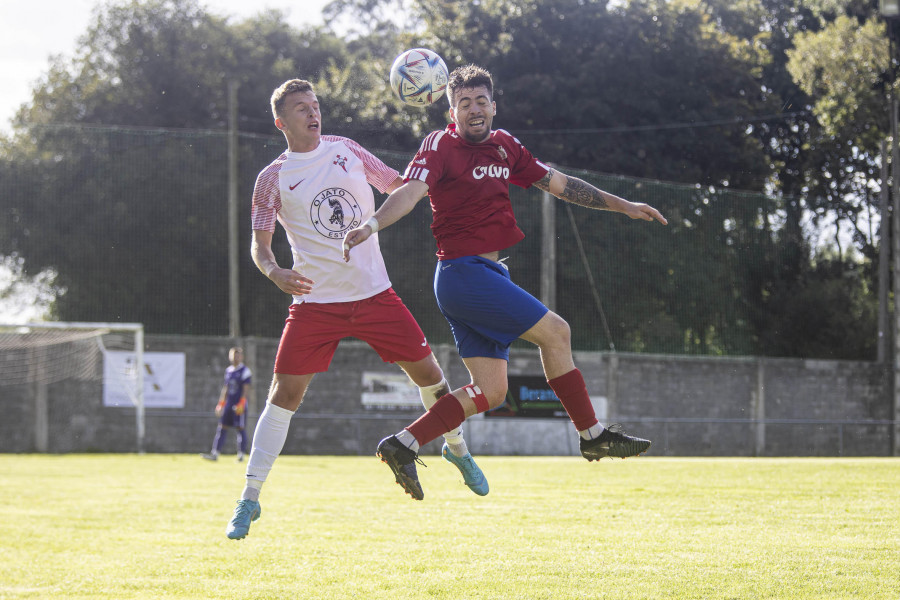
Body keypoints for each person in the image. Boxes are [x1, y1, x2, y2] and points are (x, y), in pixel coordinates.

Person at [343, 64, 668, 500]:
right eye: (464, 103)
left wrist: (623, 205)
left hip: (484, 275)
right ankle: (592, 434)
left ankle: (402, 444)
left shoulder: (505, 146)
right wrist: (371, 225)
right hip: (462, 274)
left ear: (493, 106)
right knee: (557, 332)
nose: (473, 110)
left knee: (492, 392)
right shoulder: (440, 145)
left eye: (481, 101)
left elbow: (562, 185)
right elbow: (409, 192)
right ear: (451, 112)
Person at [224, 78, 488, 540]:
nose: (313, 112)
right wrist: (274, 272)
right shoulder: (272, 178)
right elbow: (259, 245)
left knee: (431, 377)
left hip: (374, 294)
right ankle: (249, 499)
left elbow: (397, 186)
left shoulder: (345, 148)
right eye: (301, 108)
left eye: (315, 105)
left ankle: (457, 448)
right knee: (283, 396)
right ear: (280, 121)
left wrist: (446, 172)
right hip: (315, 304)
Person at [201, 346, 251, 462]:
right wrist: (221, 404)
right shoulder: (228, 370)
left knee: (240, 428)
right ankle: (215, 453)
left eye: (238, 355)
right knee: (222, 428)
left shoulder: (245, 371)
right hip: (229, 404)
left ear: (242, 357)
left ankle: (241, 455)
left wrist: (242, 403)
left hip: (239, 405)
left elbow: (246, 388)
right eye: (233, 355)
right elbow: (226, 389)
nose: (235, 357)